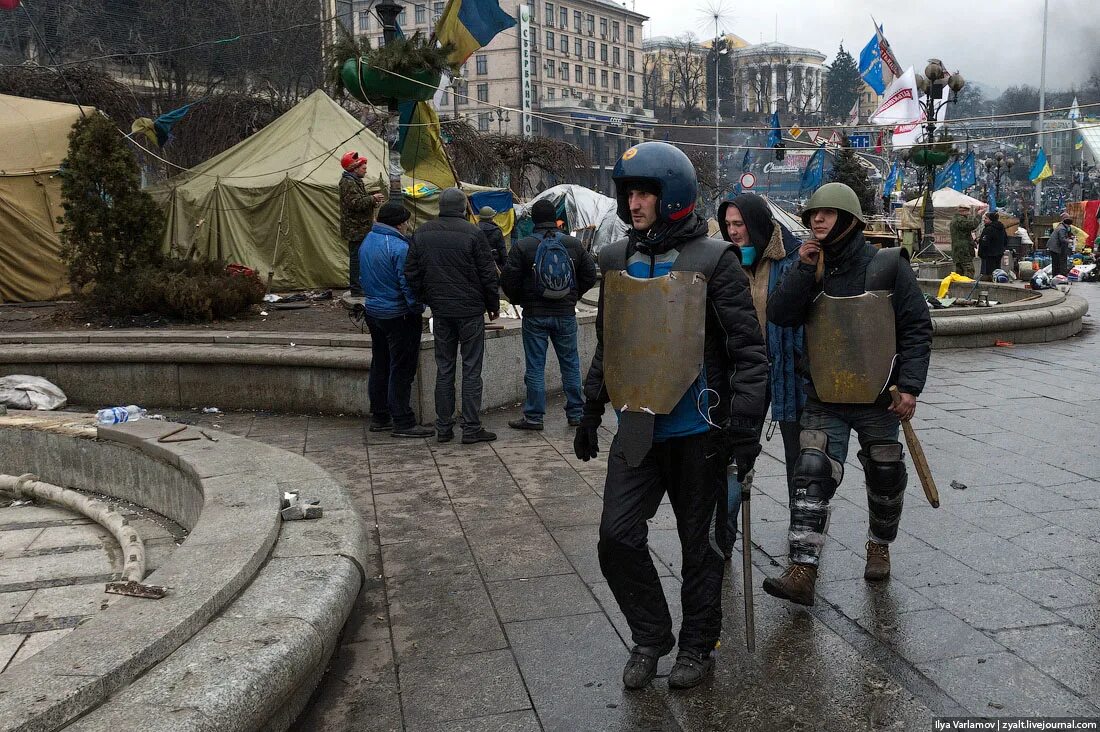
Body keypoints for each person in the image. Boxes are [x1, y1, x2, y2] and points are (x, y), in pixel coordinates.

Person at [574, 142, 768, 690]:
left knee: (701, 548)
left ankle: (698, 646)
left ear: (673, 198)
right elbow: (609, 345)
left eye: (645, 193)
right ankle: (651, 635)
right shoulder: (614, 261)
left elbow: (749, 355)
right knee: (616, 537)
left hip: (698, 432)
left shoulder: (714, 262)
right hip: (636, 428)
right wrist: (590, 410)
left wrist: (745, 430)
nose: (633, 203)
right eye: (628, 192)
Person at [764, 182, 932, 607]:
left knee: (885, 474)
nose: (816, 220)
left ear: (850, 219)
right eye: (811, 215)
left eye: (827, 213)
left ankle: (879, 543)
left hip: (880, 397)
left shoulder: (888, 265)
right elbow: (781, 316)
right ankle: (802, 568)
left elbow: (916, 328)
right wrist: (803, 270)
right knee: (812, 470)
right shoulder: (808, 266)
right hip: (824, 395)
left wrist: (910, 387)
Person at [716, 193, 805, 553]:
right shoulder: (725, 260)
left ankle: (803, 534)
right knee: (734, 455)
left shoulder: (792, 259)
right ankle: (723, 534)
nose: (733, 232)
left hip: (788, 370)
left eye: (740, 224)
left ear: (757, 224)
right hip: (744, 374)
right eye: (729, 225)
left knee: (800, 458)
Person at [405, 187, 500, 445]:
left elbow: (411, 272)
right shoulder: (474, 233)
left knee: (444, 368)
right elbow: (487, 274)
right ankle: (471, 427)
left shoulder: (422, 233)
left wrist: (428, 298)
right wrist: (493, 305)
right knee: (471, 369)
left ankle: (444, 428)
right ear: (462, 208)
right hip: (470, 311)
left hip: (442, 312)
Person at [501, 199, 598, 431]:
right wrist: (572, 295)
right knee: (570, 364)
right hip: (565, 313)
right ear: (555, 219)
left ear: (534, 220)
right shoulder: (572, 244)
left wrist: (521, 300)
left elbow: (508, 280)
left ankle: (534, 416)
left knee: (535, 366)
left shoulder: (523, 246)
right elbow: (589, 275)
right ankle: (576, 412)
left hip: (535, 315)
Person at [358, 202, 434, 438]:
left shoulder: (368, 240)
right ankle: (402, 420)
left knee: (380, 363)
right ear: (400, 223)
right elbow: (407, 283)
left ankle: (380, 415)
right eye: (406, 222)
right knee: (401, 367)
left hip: (373, 310)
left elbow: (361, 276)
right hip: (398, 314)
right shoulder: (399, 247)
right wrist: (417, 308)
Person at [339, 151, 382, 297]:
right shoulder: (348, 183)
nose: (365, 170)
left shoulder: (356, 181)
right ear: (354, 168)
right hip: (355, 229)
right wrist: (372, 198)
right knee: (357, 259)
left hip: (361, 227)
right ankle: (356, 289)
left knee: (362, 257)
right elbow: (355, 204)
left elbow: (361, 201)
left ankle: (361, 286)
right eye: (363, 167)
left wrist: (373, 201)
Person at [949, 205, 981, 278]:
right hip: (963, 249)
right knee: (969, 269)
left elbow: (969, 224)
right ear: (962, 211)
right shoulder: (960, 220)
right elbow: (972, 225)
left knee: (960, 270)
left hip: (960, 249)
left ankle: (960, 286)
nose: (969, 213)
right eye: (967, 211)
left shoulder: (958, 219)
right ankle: (967, 286)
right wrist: (979, 215)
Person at [976, 211, 1009, 281]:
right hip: (999, 253)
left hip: (988, 254)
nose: (984, 220)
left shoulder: (988, 229)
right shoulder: (1001, 228)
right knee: (997, 270)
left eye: (986, 218)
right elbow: (1006, 240)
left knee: (988, 272)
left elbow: (985, 242)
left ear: (991, 219)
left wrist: (979, 241)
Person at [1048, 212, 1076, 278]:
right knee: (1056, 263)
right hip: (1055, 248)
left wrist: (1070, 237)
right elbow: (1062, 239)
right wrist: (1070, 241)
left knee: (1056, 263)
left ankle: (1056, 276)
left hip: (1054, 247)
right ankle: (1056, 277)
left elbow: (1066, 235)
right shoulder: (1062, 228)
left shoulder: (1062, 226)